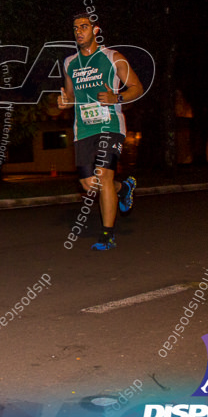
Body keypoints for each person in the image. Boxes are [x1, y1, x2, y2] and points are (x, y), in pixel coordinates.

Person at [57, 14, 143, 251]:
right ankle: (124, 188)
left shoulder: (113, 57)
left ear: (95, 31)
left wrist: (117, 97)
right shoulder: (69, 63)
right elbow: (71, 96)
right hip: (83, 129)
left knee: (103, 175)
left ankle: (107, 235)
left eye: (84, 27)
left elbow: (137, 88)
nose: (78, 32)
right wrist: (65, 102)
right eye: (75, 28)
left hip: (110, 126)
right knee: (89, 184)